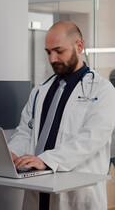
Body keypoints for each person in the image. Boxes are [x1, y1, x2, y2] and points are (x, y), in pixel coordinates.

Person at [8, 21, 115, 210]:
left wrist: (47, 160)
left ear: (79, 46)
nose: (52, 58)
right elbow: (26, 131)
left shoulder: (103, 90)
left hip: (76, 194)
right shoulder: (40, 91)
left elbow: (92, 138)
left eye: (58, 51)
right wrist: (12, 152)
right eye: (48, 52)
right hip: (37, 187)